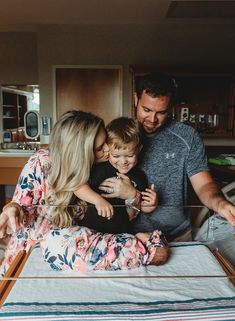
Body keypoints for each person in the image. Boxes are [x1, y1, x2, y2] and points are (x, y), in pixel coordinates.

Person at [0, 110, 169, 275]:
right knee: (56, 240)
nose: (108, 151)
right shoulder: (41, 162)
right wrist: (13, 207)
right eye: (99, 148)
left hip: (74, 247)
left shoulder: (95, 169)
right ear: (79, 150)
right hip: (35, 251)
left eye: (106, 143)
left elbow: (116, 216)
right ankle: (142, 246)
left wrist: (132, 196)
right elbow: (21, 207)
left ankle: (144, 247)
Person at [98, 72, 235, 242]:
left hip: (177, 236)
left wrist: (220, 204)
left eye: (161, 112)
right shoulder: (117, 136)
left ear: (171, 107)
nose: (152, 119)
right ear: (136, 99)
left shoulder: (188, 137)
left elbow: (204, 184)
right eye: (146, 110)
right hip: (129, 237)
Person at [76, 117, 158, 234]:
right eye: (116, 156)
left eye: (129, 156)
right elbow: (78, 187)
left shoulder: (140, 177)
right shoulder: (99, 169)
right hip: (90, 231)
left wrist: (151, 205)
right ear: (108, 148)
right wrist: (98, 200)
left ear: (139, 149)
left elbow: (139, 208)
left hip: (121, 233)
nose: (123, 161)